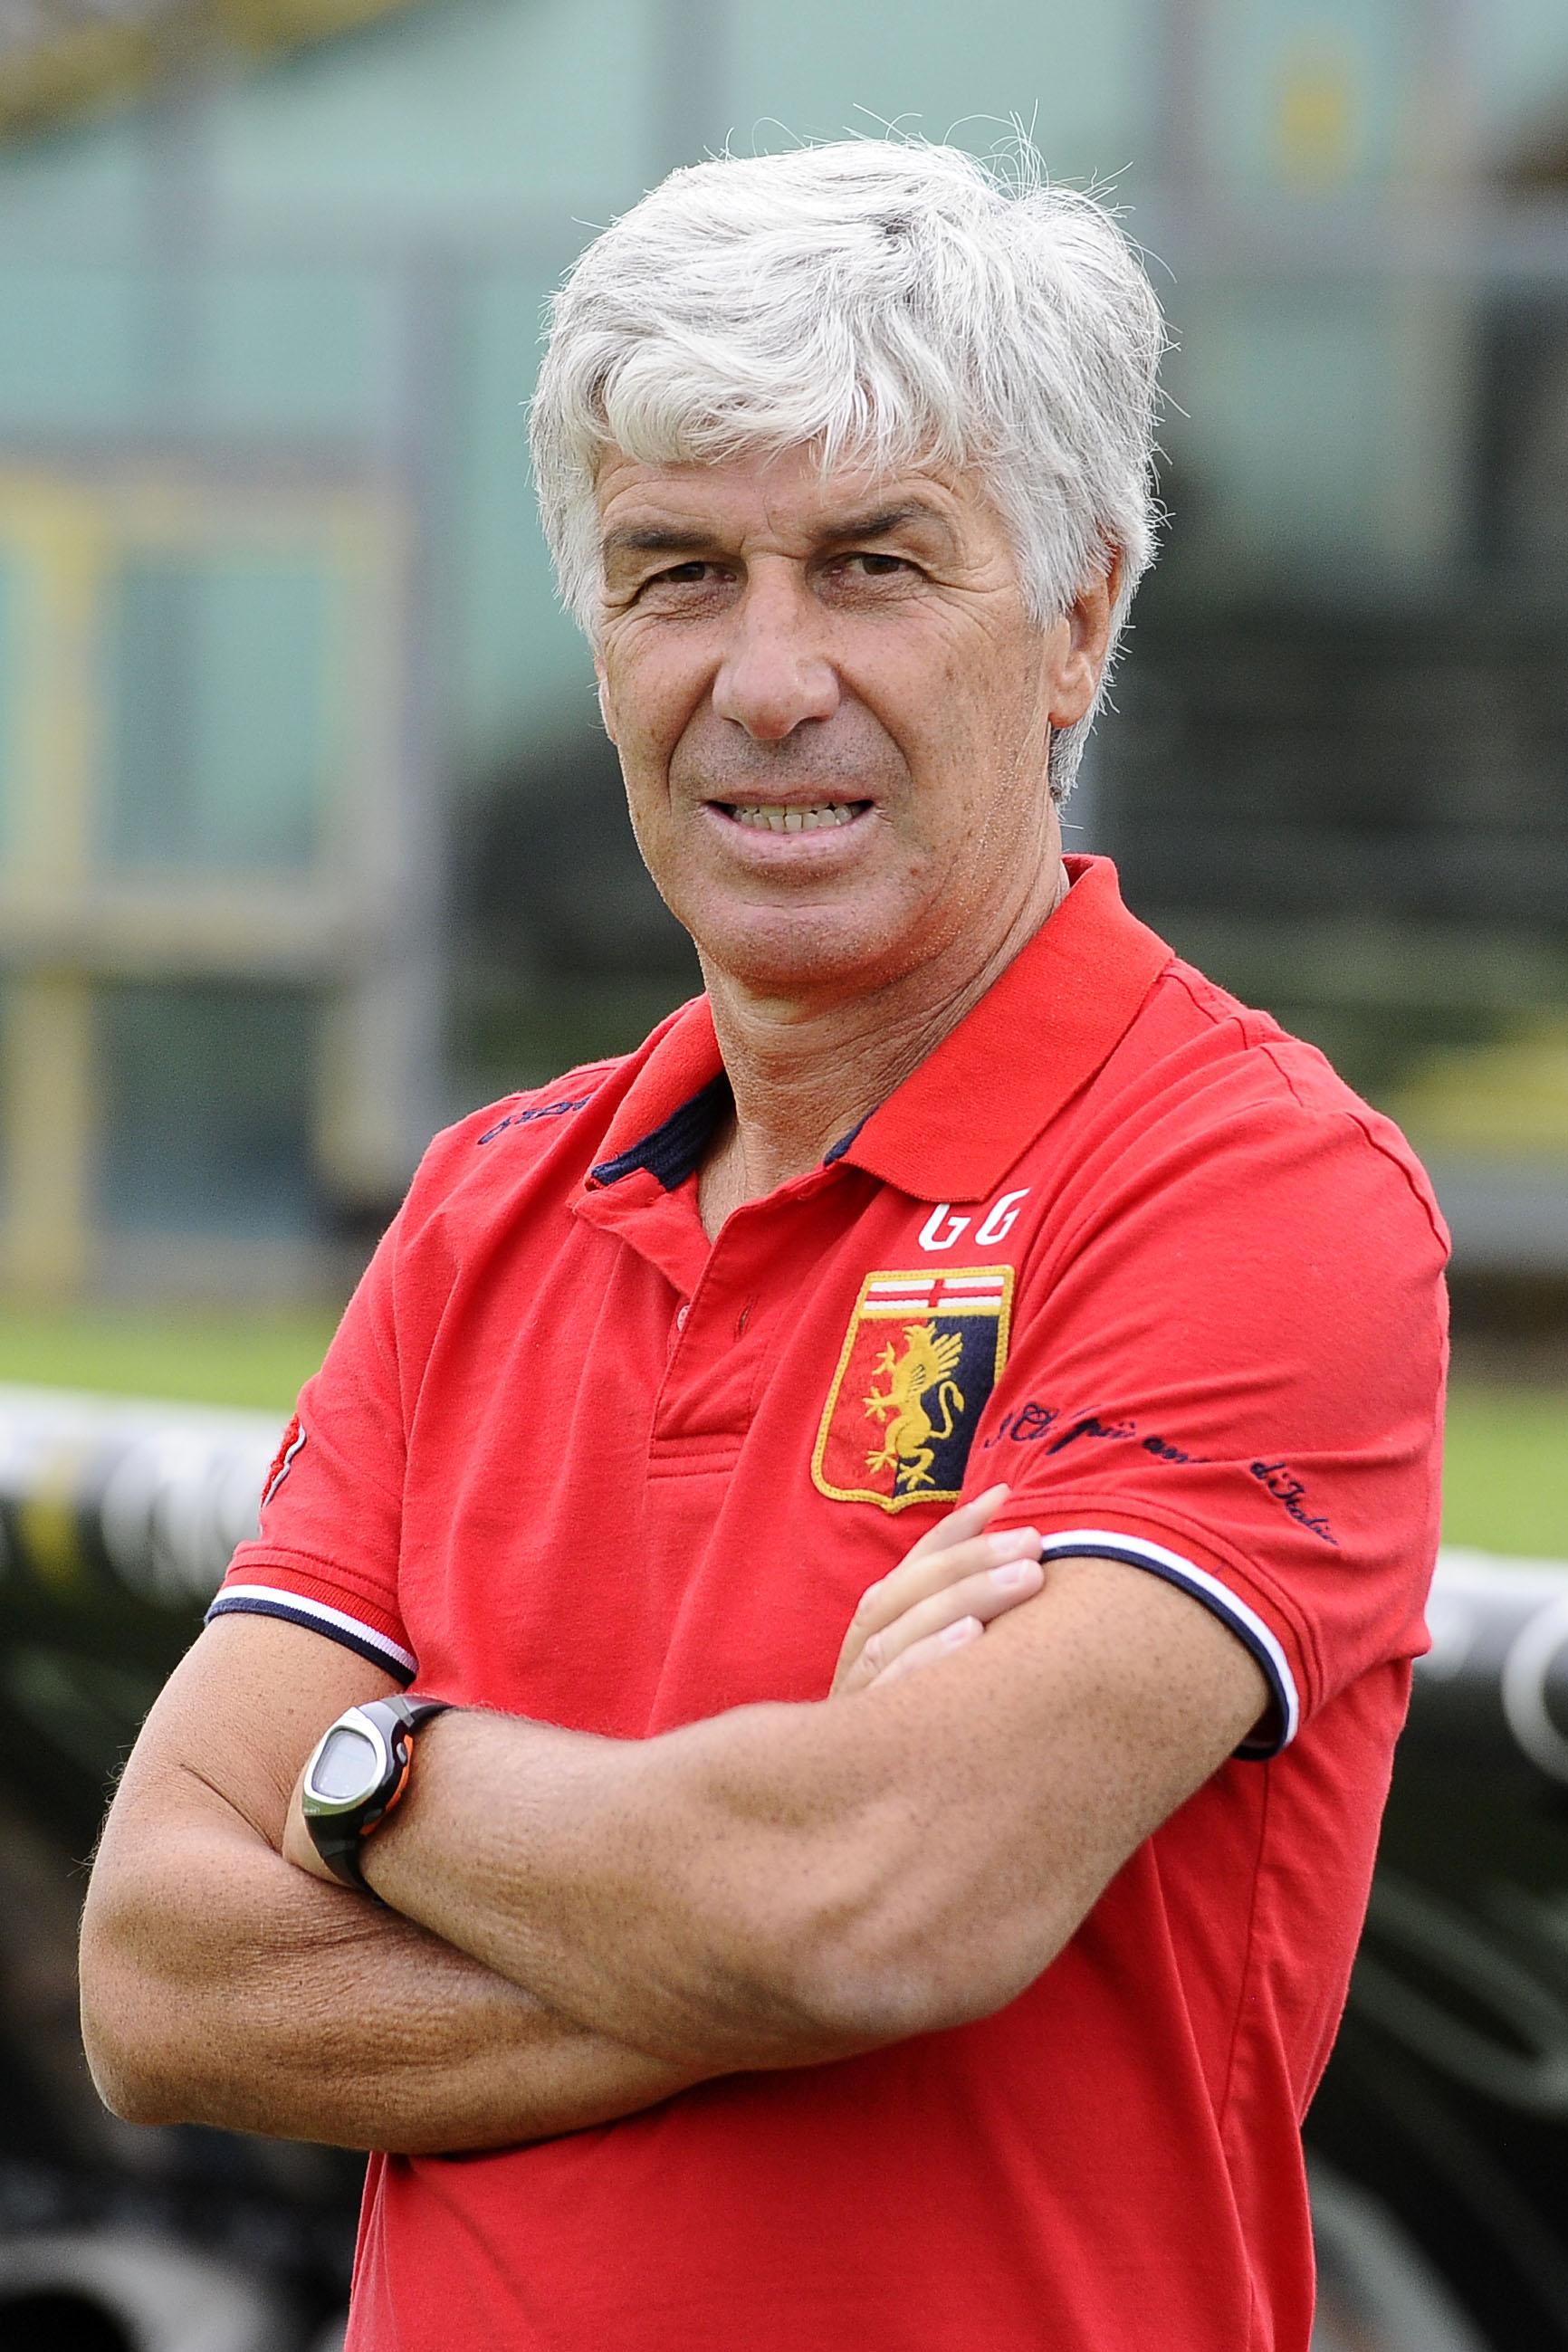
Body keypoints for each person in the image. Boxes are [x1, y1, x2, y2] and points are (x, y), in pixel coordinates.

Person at [79, 139, 1448, 2352]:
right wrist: (752, 1889)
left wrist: (373, 1773)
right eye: (678, 573)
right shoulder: (487, 1205)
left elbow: (872, 1908)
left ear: (1077, 618)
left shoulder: (1244, 1188)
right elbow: (157, 1977)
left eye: (872, 564)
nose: (768, 677)